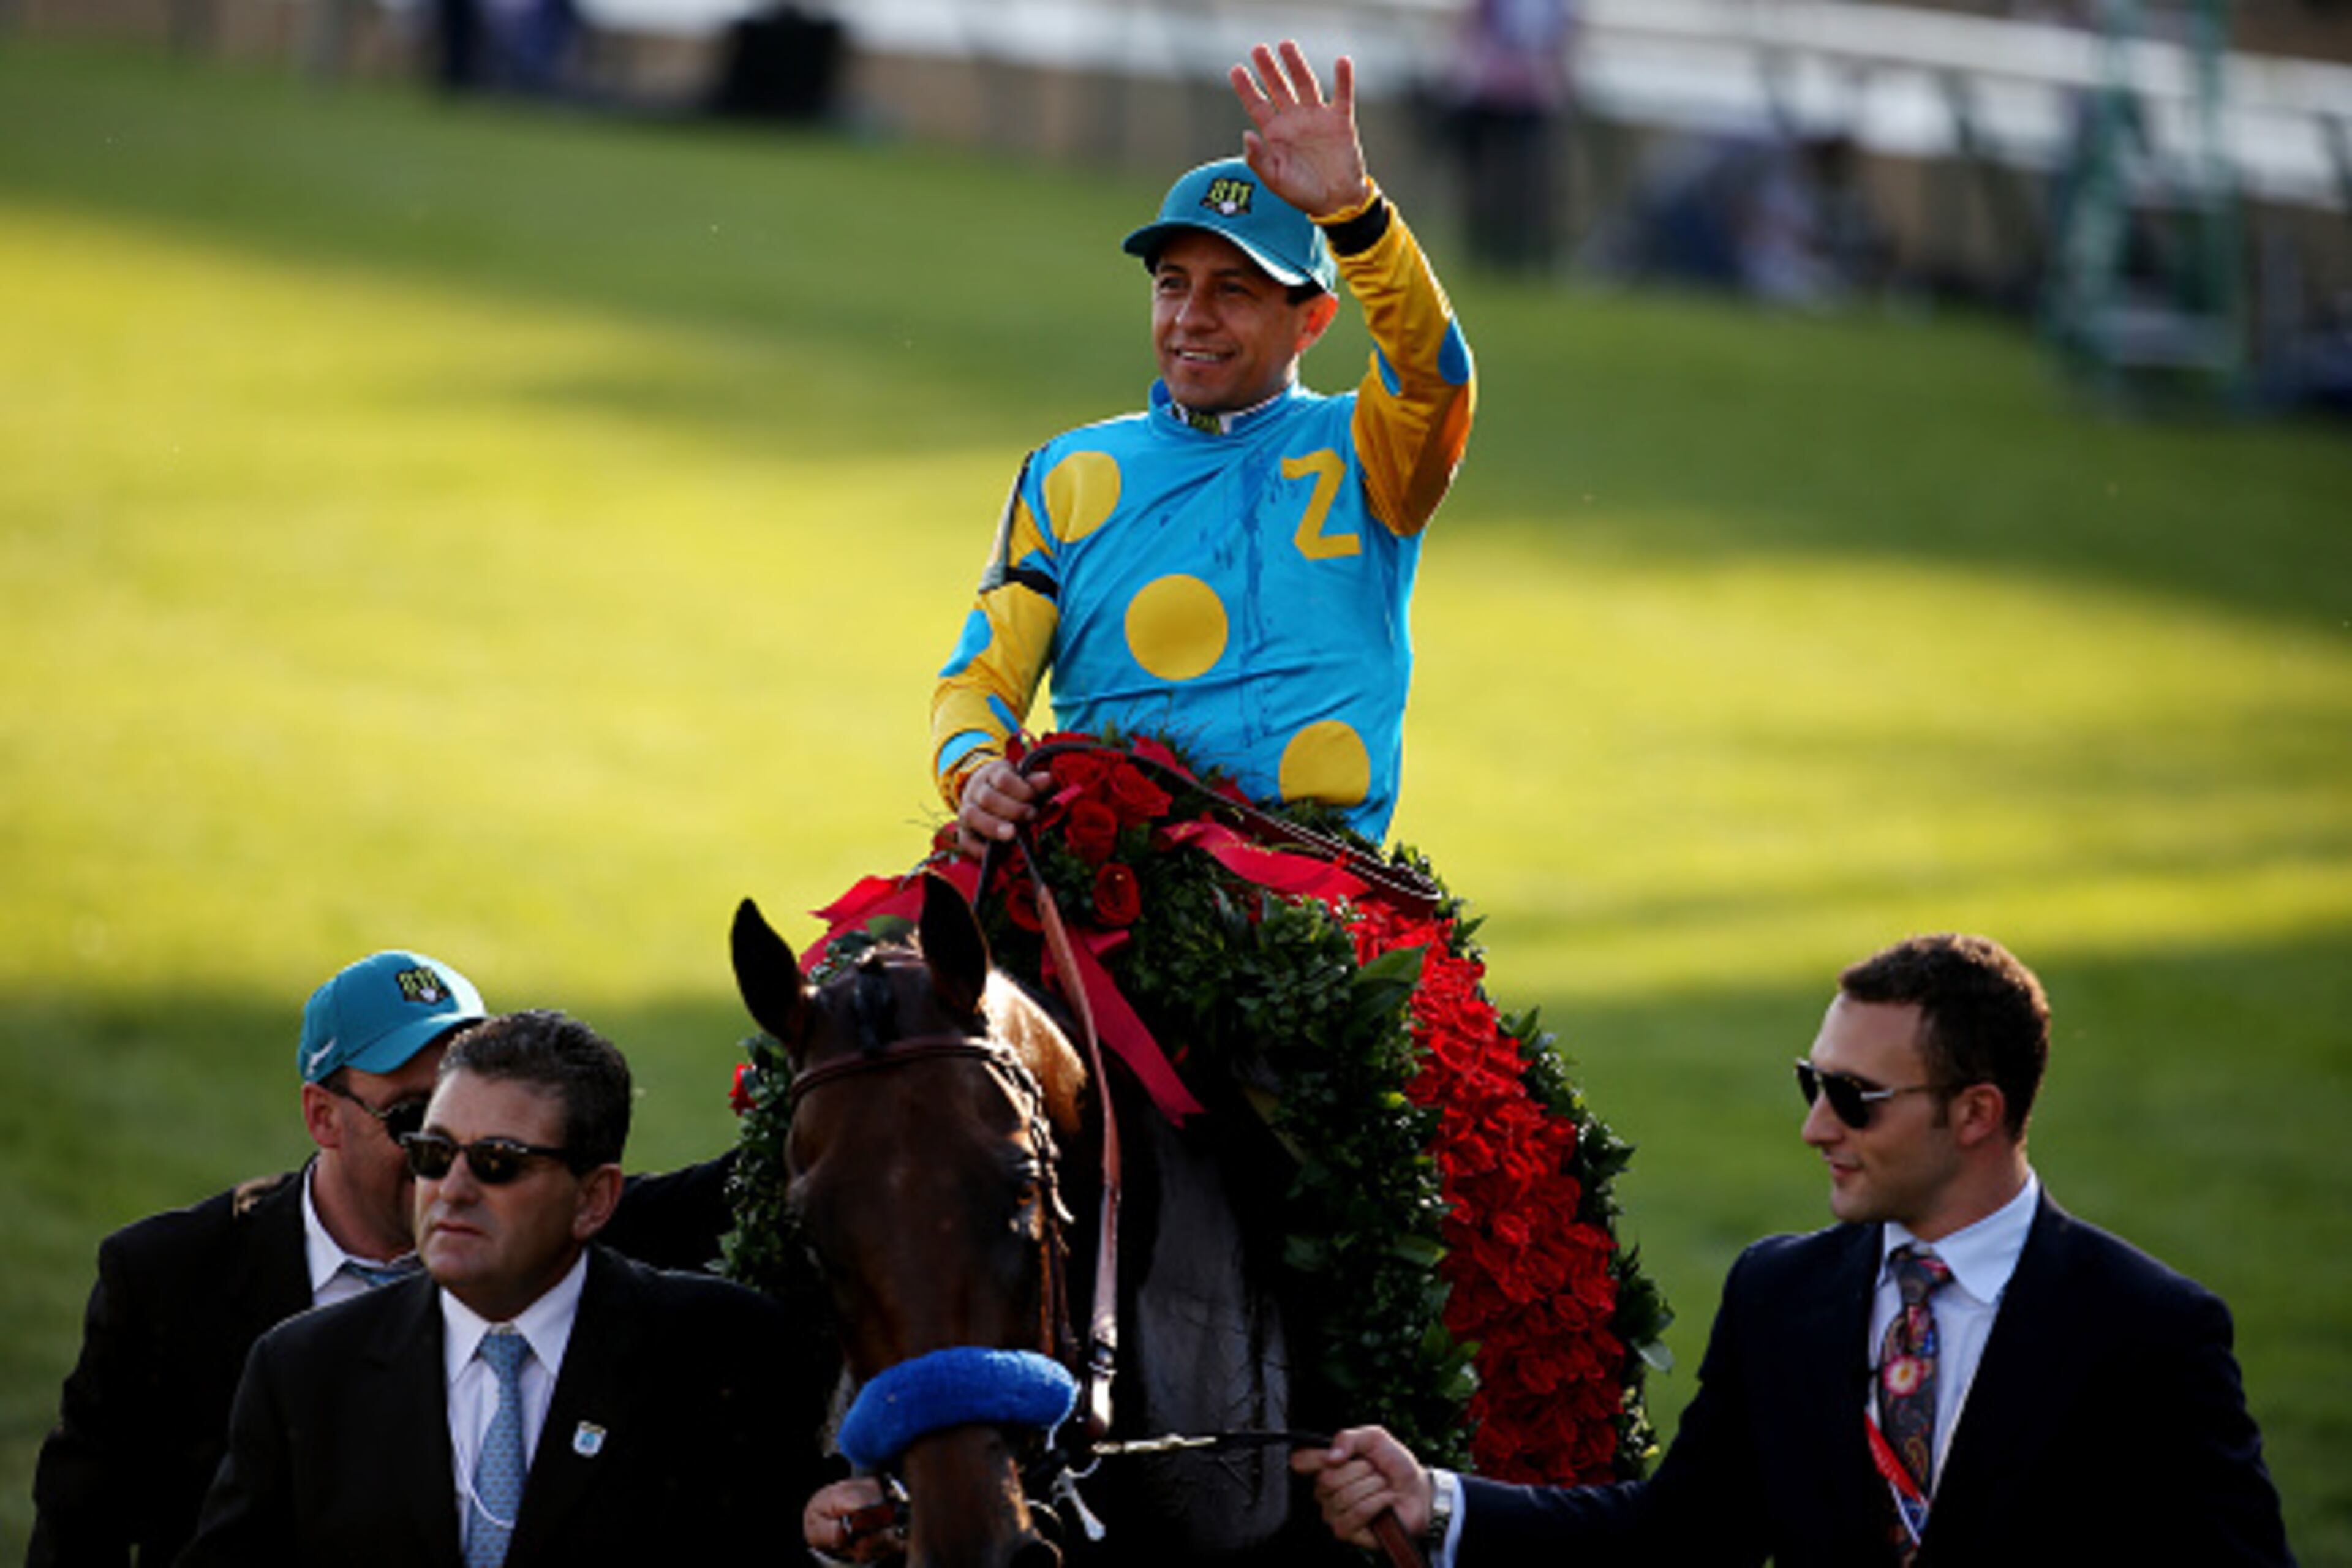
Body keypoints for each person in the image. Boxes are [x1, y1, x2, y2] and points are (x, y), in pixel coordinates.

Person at [1294, 933, 2297, 1566]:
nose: (1818, 1128)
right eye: (1810, 1084)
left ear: (1977, 1112)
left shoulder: (2147, 1332)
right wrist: (1438, 1502)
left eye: (1855, 1099)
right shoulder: (1781, 1294)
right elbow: (1679, 1534)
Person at [936, 38, 1476, 858]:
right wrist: (976, 770)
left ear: (1315, 319)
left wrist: (1357, 218)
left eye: (1235, 291)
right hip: (1104, 888)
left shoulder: (1367, 449)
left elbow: (1435, 371)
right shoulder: (1068, 475)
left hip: (1315, 904)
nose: (1192, 317)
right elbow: (979, 679)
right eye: (1173, 284)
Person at [26, 952, 734, 1568]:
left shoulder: (550, 1222)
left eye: (494, 1147)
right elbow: (79, 1529)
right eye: (415, 1123)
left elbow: (769, 1179)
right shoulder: (170, 1278)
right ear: (322, 1116)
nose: (457, 1173)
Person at [178, 1009, 831, 1566]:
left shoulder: (723, 1349)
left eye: (497, 1163)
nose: (452, 1189)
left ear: (594, 1199)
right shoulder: (305, 1370)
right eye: (432, 1153)